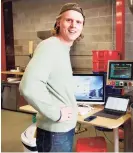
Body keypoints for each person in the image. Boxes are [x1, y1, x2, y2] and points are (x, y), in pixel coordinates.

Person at [19, 3, 85, 152]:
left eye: (78, 22)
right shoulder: (50, 46)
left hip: (61, 129)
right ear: (58, 23)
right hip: (55, 132)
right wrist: (56, 113)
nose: (74, 25)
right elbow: (28, 87)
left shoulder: (63, 48)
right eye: (69, 20)